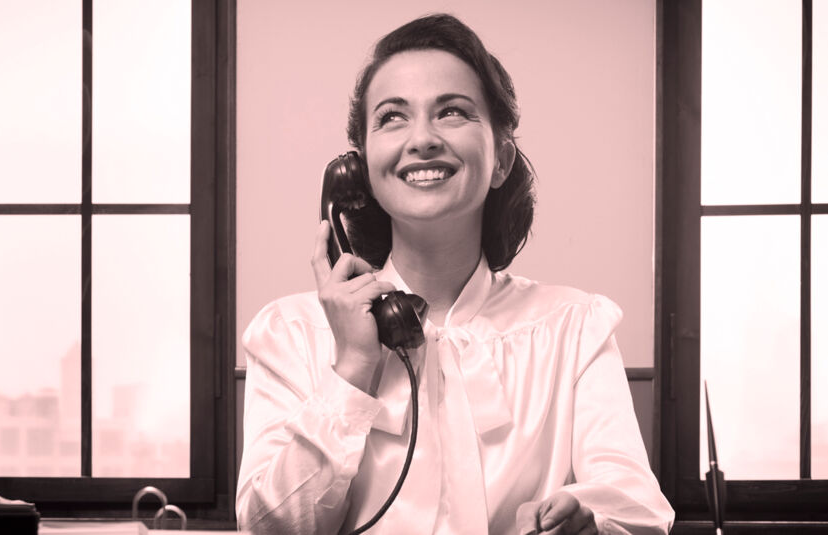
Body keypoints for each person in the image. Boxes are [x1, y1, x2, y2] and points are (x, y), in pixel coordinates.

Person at [236, 13, 675, 535]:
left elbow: (638, 511)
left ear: (501, 160)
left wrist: (589, 523)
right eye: (393, 117)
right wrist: (352, 367)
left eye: (452, 112)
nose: (421, 139)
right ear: (360, 168)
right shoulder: (290, 332)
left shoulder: (575, 327)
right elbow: (269, 528)